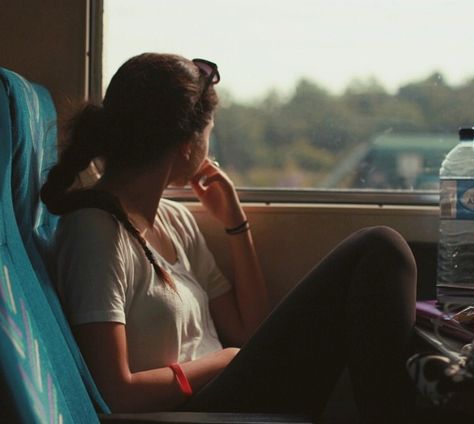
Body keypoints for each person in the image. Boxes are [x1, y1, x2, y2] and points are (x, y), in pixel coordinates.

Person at [41, 53, 417, 423]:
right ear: (187, 143)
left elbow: (248, 331)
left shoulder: (176, 220)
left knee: (380, 251)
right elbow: (116, 393)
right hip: (190, 411)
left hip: (223, 393)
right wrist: (222, 362)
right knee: (380, 248)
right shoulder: (95, 231)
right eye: (209, 132)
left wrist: (235, 224)